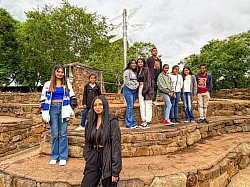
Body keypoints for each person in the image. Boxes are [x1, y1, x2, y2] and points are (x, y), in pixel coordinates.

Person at [40, 64, 77, 166]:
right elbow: (43, 98)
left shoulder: (66, 84)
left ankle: (63, 156)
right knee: (55, 134)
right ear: (54, 72)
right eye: (58, 72)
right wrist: (43, 110)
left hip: (63, 108)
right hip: (52, 108)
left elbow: (73, 97)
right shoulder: (48, 84)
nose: (60, 74)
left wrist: (71, 108)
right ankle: (54, 156)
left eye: (62, 72)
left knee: (63, 133)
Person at [81, 95, 122, 187]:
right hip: (93, 157)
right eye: (95, 105)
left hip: (107, 157)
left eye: (100, 104)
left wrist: (115, 171)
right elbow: (87, 141)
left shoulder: (112, 121)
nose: (97, 107)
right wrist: (87, 156)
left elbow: (116, 146)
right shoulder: (90, 122)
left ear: (105, 106)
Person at [137, 58, 154, 129]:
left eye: (141, 62)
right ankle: (143, 120)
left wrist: (145, 90)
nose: (140, 63)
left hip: (147, 90)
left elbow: (148, 81)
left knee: (148, 105)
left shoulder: (146, 69)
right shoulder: (138, 71)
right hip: (140, 88)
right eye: (139, 62)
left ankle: (147, 121)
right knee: (142, 105)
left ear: (143, 62)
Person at [123, 59, 139, 128]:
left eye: (135, 63)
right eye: (132, 63)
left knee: (131, 106)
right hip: (128, 90)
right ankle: (129, 124)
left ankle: (133, 122)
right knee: (130, 106)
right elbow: (127, 82)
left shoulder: (135, 72)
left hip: (134, 90)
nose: (134, 64)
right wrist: (135, 86)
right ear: (129, 64)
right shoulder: (127, 71)